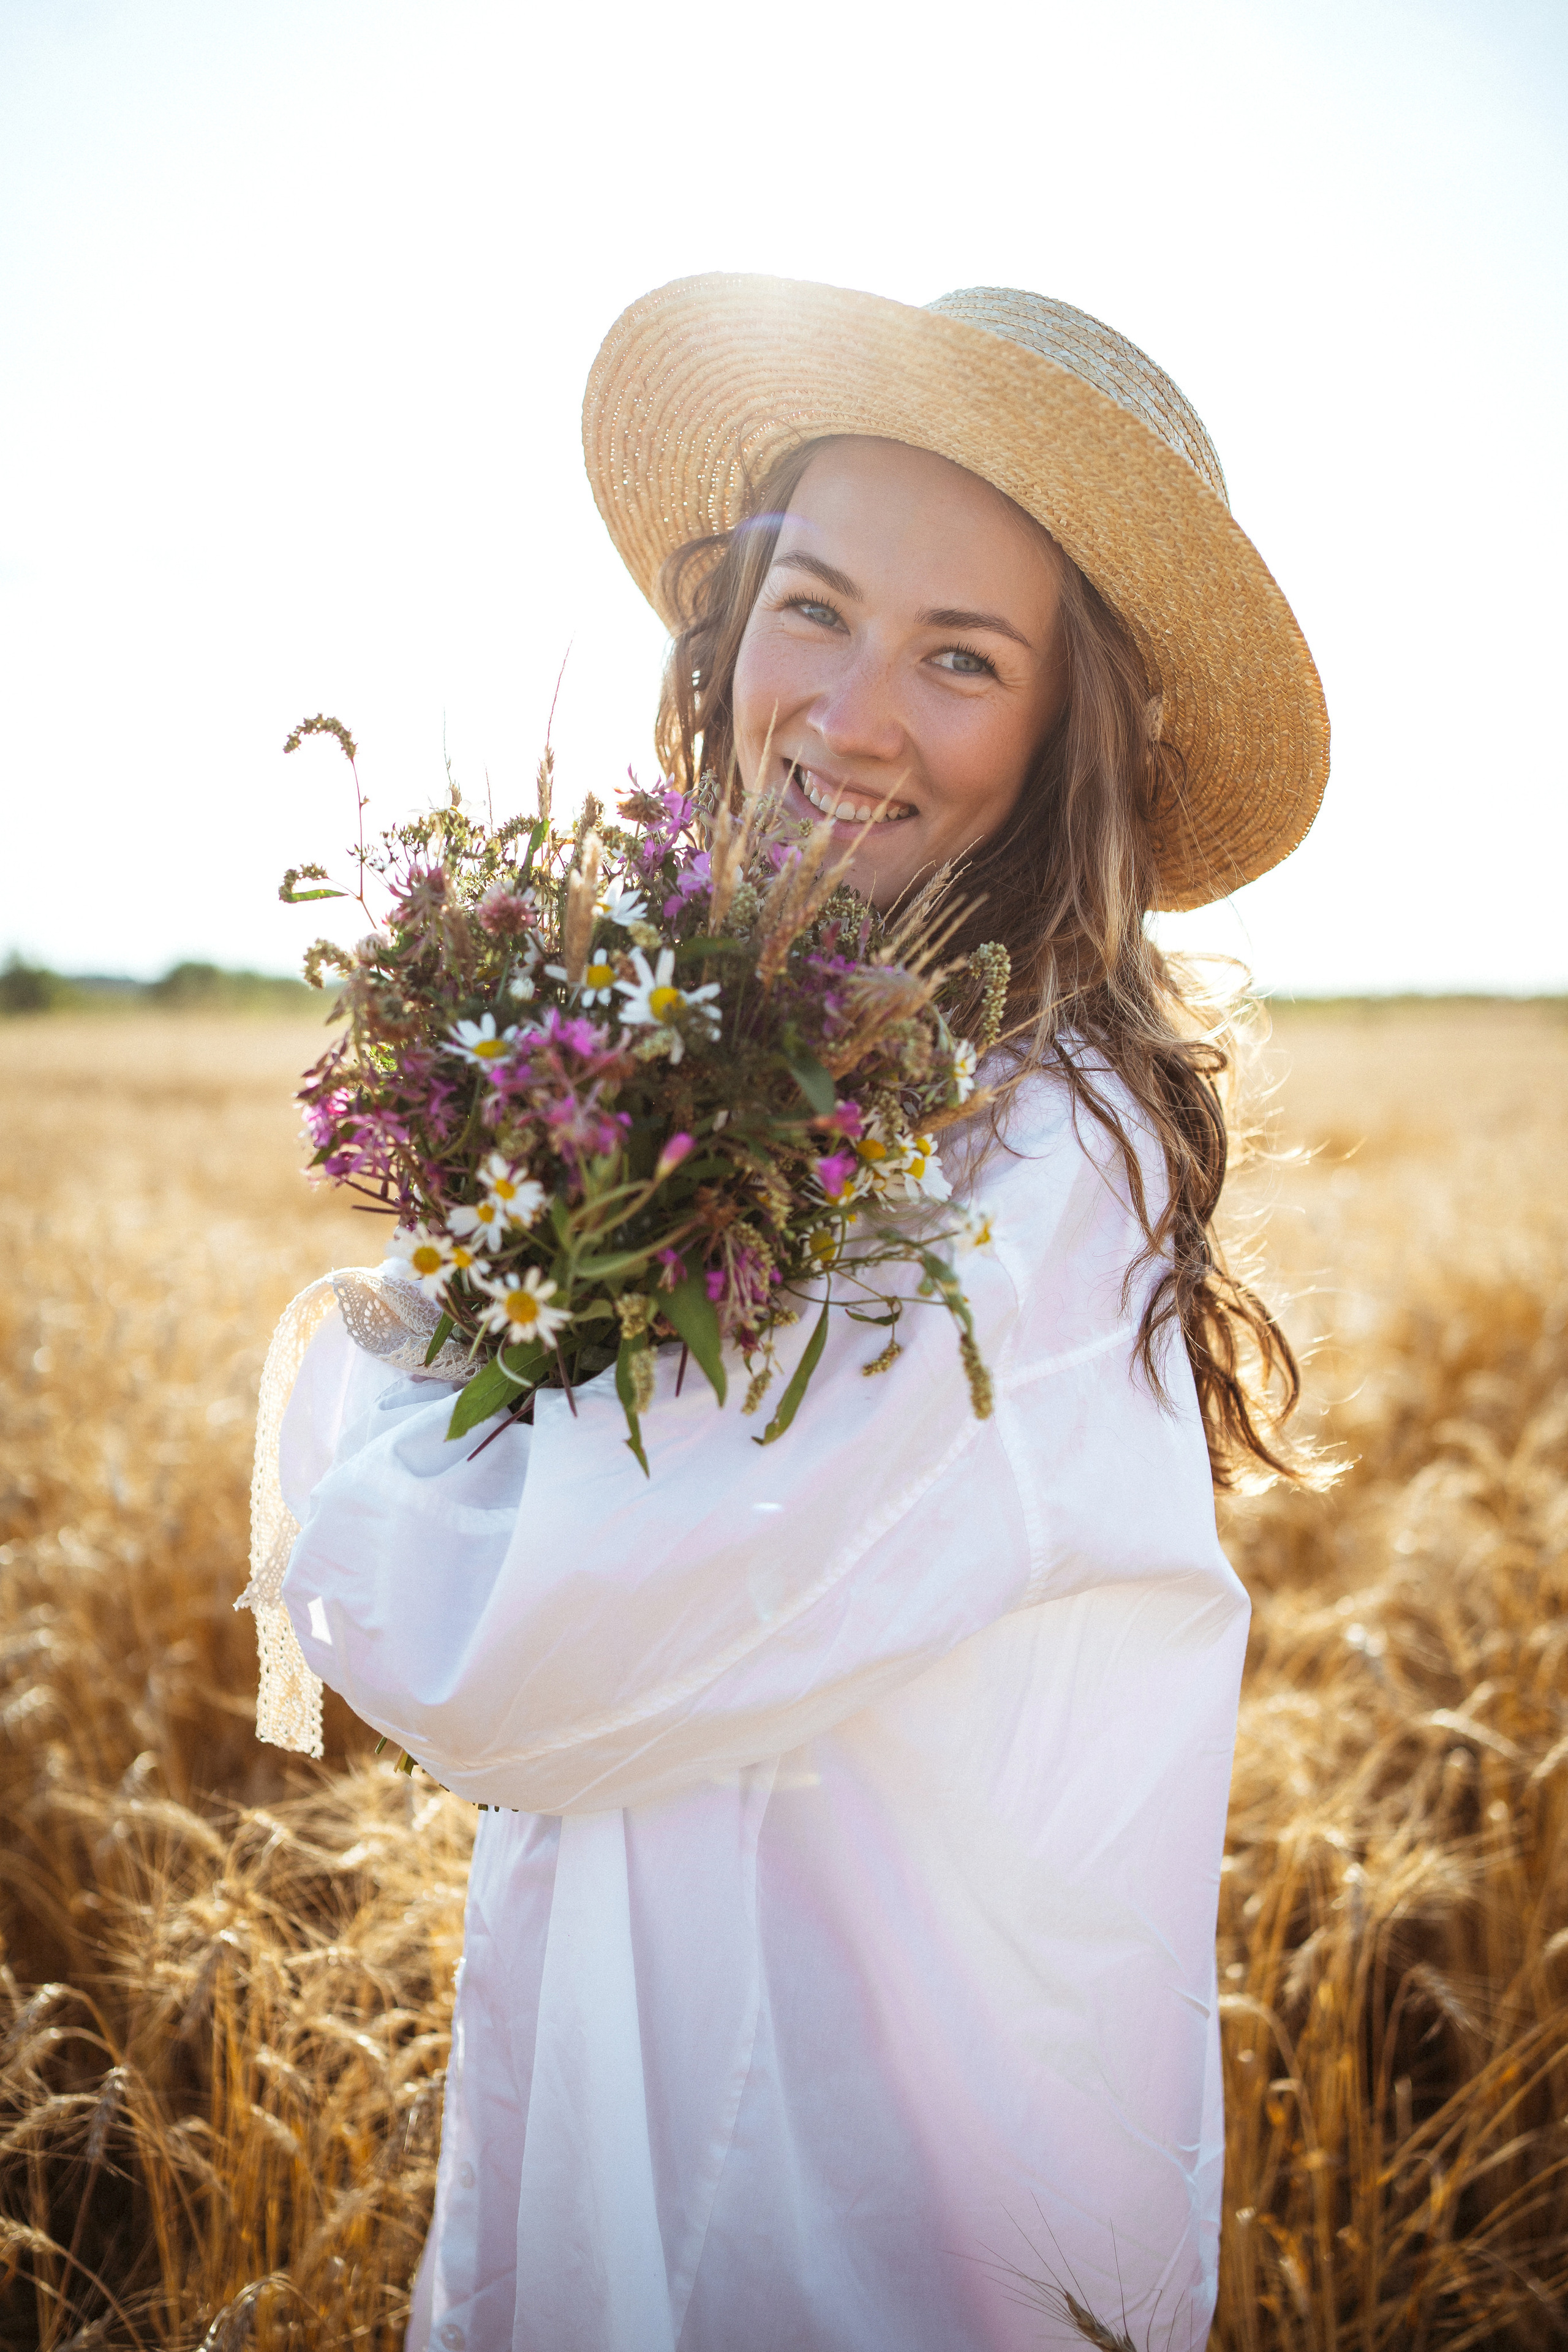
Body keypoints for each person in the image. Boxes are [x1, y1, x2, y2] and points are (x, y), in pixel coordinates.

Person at [255, 276, 1329, 2351]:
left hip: (861, 2226)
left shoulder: (1033, 1164)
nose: (847, 714)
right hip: (665, 2132)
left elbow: (502, 1638)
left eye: (962, 655)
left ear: (1064, 728)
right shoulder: (773, 1061)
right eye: (815, 605)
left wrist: (375, 1371)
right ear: (728, 617)